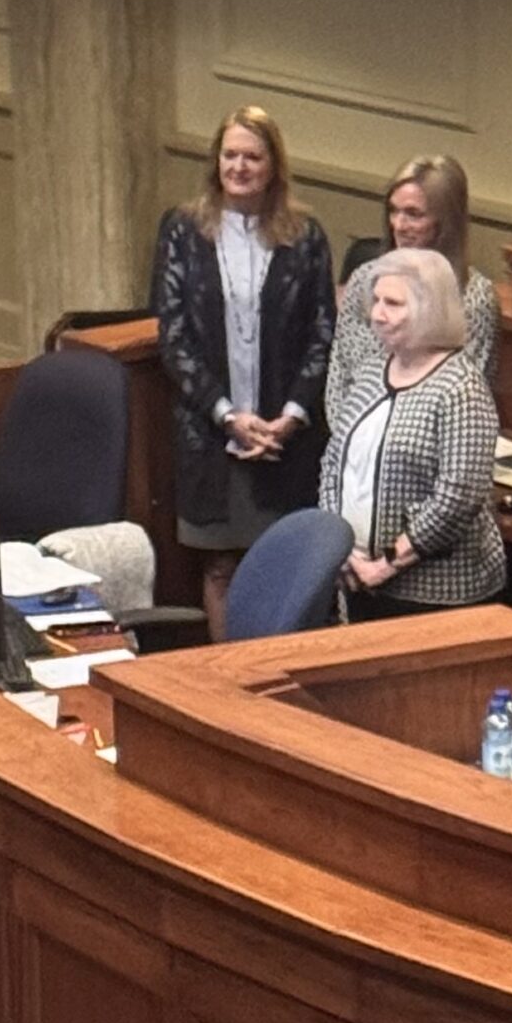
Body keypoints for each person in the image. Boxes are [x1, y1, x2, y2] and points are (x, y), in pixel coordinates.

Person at [150, 105, 334, 635]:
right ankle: (229, 677)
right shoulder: (183, 230)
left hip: (285, 438)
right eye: (229, 155)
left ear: (273, 165)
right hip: (211, 436)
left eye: (252, 156)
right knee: (221, 565)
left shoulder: (306, 236)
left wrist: (292, 414)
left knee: (285, 569)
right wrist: (228, 415)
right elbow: (174, 335)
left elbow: (322, 333)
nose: (239, 166)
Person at [317, 248, 503, 620]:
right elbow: (332, 462)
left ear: (429, 310)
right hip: (357, 579)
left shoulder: (460, 388)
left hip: (435, 594)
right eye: (377, 301)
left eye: (393, 304)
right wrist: (338, 547)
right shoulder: (372, 372)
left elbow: (458, 497)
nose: (376, 314)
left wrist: (386, 563)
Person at [327, 154, 500, 417]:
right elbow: (340, 374)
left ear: (445, 221)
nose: (398, 225)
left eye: (413, 214)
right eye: (394, 211)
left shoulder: (473, 297)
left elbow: (465, 400)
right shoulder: (364, 279)